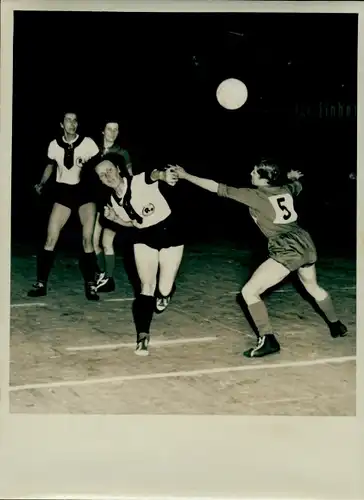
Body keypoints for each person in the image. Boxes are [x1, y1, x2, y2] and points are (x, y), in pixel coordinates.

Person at [173, 160, 348, 358]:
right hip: (305, 242)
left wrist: (186, 176)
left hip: (286, 247)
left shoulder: (254, 195)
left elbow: (216, 188)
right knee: (312, 287)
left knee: (249, 292)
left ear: (264, 178)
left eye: (255, 172)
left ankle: (268, 340)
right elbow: (298, 184)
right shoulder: (285, 189)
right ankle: (336, 325)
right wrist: (294, 178)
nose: (251, 172)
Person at [92, 153, 184, 356]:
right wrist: (116, 218)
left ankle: (166, 293)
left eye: (109, 170)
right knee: (146, 287)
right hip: (144, 236)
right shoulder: (113, 200)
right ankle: (143, 337)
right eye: (102, 175)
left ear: (118, 168)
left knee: (164, 287)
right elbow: (134, 223)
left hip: (170, 232)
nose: (107, 176)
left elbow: (154, 175)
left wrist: (164, 175)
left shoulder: (139, 180)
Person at [28, 111, 100, 301]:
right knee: (50, 239)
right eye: (68, 120)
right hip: (64, 194)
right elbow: (50, 166)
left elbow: (99, 168)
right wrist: (42, 183)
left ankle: (91, 285)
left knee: (87, 240)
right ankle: (41, 283)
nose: (72, 123)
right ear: (61, 124)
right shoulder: (54, 145)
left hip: (85, 194)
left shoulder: (88, 143)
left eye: (75, 120)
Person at [92, 120, 133, 293]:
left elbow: (130, 176)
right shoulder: (93, 150)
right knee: (92, 241)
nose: (113, 133)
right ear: (103, 131)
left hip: (114, 202)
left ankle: (109, 279)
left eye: (116, 129)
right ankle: (103, 273)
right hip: (96, 201)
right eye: (109, 129)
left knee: (106, 241)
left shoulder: (122, 153)